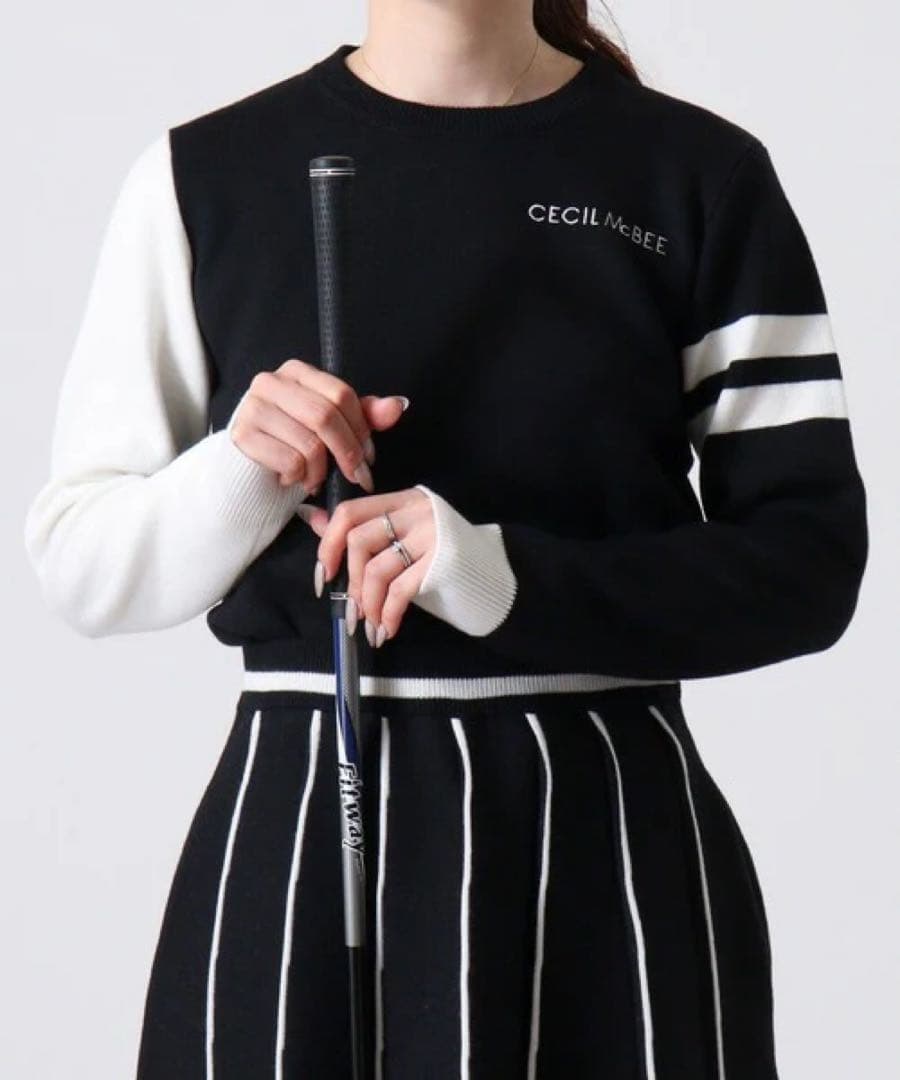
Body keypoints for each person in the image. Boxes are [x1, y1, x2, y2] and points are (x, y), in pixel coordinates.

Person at [24, 2, 868, 1078]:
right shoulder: (201, 177)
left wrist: (501, 578)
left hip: (608, 846)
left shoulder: (700, 175)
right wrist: (244, 467)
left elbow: (808, 561)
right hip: (304, 827)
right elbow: (81, 561)